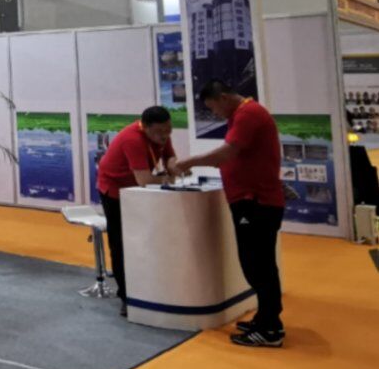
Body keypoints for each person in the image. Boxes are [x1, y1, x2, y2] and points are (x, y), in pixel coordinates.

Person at [173, 80, 285, 348]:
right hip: (251, 200)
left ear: (223, 98)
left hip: (256, 202)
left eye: (213, 108)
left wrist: (188, 162)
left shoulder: (248, 114)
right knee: (256, 263)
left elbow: (226, 153)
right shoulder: (243, 115)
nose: (215, 114)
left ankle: (271, 328)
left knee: (258, 264)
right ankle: (265, 317)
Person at [96, 106, 178, 315]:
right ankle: (126, 296)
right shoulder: (132, 139)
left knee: (144, 239)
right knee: (121, 243)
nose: (165, 135)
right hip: (114, 191)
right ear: (146, 128)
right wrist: (169, 177)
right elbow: (144, 180)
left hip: (136, 190)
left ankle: (148, 287)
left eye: (169, 129)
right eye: (160, 131)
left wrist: (173, 166)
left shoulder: (160, 133)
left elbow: (170, 157)